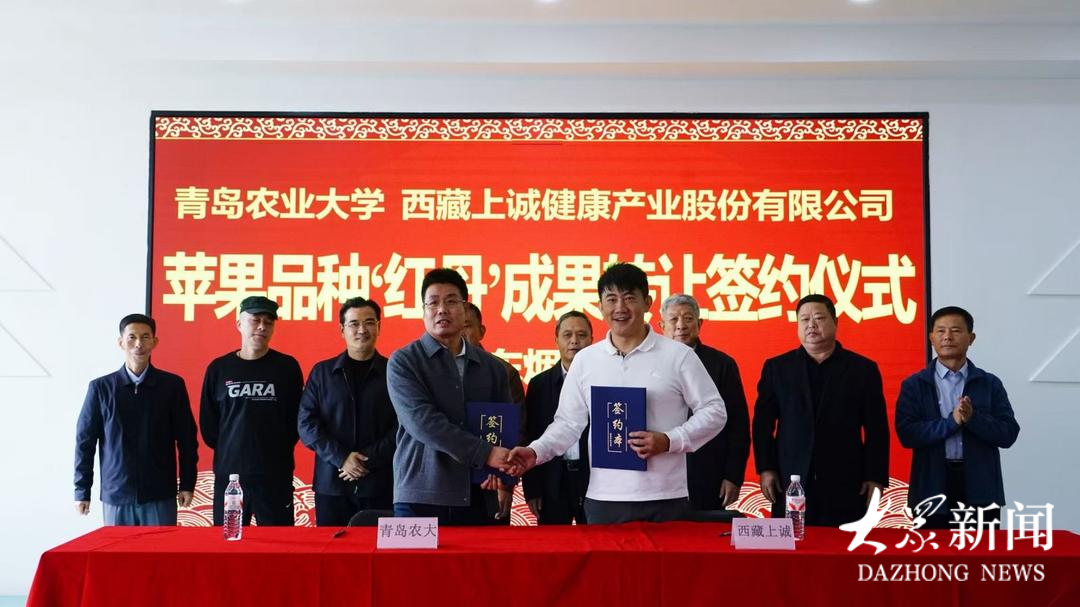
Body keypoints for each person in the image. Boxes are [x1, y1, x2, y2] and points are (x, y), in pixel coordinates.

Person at [506, 263, 727, 524]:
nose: (620, 308)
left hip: (665, 496)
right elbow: (567, 424)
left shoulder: (678, 356)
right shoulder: (586, 360)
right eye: (611, 299)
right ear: (600, 307)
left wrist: (670, 440)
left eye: (629, 298)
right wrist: (535, 452)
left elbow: (714, 411)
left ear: (647, 303)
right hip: (603, 499)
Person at [387, 268, 514, 525]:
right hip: (421, 494)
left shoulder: (493, 367)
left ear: (465, 309)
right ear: (423, 310)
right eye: (433, 303)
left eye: (451, 301)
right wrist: (485, 454)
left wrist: (503, 476)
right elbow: (422, 422)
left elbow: (502, 427)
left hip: (479, 492)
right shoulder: (404, 361)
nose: (442, 310)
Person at [752, 294, 890, 527]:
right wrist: (766, 468)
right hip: (791, 477)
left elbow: (876, 428)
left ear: (835, 322)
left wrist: (874, 476)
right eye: (804, 320)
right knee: (793, 542)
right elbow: (762, 425)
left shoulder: (862, 369)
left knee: (843, 542)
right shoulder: (777, 368)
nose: (811, 325)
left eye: (819, 318)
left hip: (846, 478)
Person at [895, 306, 1020, 528]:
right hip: (931, 489)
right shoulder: (914, 385)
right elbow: (908, 434)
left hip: (980, 489)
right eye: (941, 331)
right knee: (932, 551)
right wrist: (951, 422)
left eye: (955, 330)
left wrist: (973, 419)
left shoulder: (989, 383)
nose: (947, 337)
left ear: (971, 338)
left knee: (980, 549)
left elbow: (1008, 433)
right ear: (931, 338)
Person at [74, 314, 198, 525]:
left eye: (145, 337)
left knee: (161, 547)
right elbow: (85, 442)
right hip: (116, 494)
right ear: (121, 342)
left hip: (160, 494)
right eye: (132, 337)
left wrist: (187, 484)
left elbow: (187, 439)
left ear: (154, 342)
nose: (139, 343)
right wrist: (81, 490)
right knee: (118, 548)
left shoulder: (171, 386)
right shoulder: (101, 388)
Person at [200, 295, 303, 527]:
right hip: (231, 475)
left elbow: (296, 420)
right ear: (239, 324)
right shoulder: (219, 368)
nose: (262, 327)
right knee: (229, 539)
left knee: (279, 542)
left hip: (275, 475)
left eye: (268, 322)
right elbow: (209, 424)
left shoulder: (287, 367)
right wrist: (234, 447)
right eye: (255, 320)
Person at [298, 297, 398, 526]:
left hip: (380, 483)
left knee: (378, 547)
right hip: (331, 485)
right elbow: (306, 424)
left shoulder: (394, 372)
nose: (362, 330)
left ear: (379, 327)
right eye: (354, 324)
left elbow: (403, 426)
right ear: (342, 329)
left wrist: (366, 461)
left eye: (369, 322)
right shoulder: (322, 373)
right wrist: (341, 458)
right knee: (330, 546)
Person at [658, 294, 750, 511]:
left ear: (699, 324)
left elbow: (738, 425)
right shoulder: (649, 362)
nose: (681, 325)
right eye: (673, 319)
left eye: (688, 318)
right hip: (659, 473)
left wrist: (733, 476)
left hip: (709, 472)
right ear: (661, 326)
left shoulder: (722, 364)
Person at [522, 310, 594, 524]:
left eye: (581, 335)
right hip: (552, 480)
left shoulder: (603, 381)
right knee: (552, 541)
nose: (574, 341)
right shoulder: (539, 384)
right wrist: (532, 488)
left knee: (596, 539)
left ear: (592, 340)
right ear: (556, 340)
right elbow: (531, 435)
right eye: (567, 335)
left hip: (593, 480)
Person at [462, 301, 525, 523]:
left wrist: (506, 483)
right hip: (445, 484)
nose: (460, 333)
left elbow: (516, 430)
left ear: (481, 331)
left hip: (490, 482)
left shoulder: (502, 371)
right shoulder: (433, 372)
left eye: (467, 326)